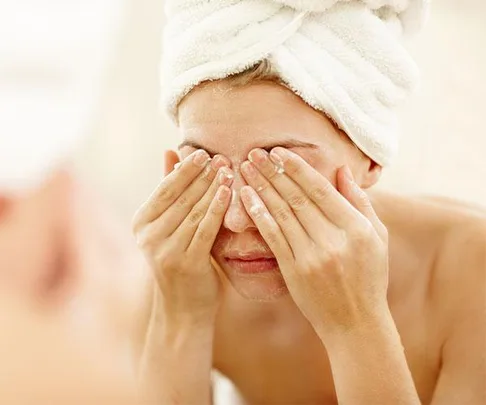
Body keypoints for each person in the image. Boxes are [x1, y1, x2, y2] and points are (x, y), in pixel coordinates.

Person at [134, 1, 486, 404]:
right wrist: (182, 318)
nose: (235, 219)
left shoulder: (471, 278)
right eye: (207, 165)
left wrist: (355, 324)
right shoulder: (181, 270)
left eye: (278, 169)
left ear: (370, 158)